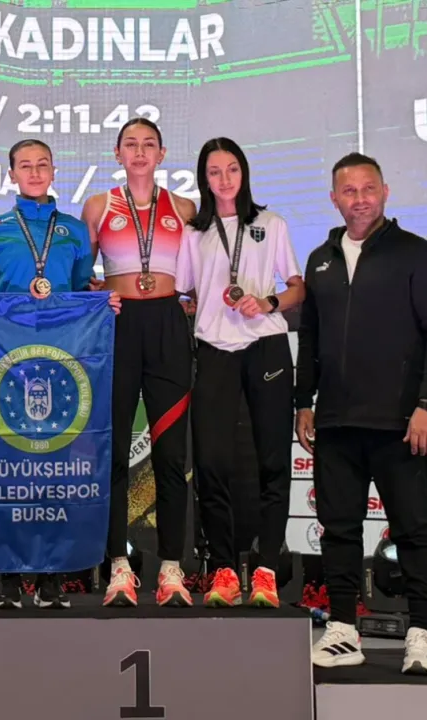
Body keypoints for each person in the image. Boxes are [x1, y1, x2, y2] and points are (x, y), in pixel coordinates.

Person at [295, 152, 427, 675]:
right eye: (349, 191)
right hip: (336, 422)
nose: (359, 199)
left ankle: (420, 634)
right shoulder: (320, 260)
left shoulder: (417, 253)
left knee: (413, 527)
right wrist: (303, 401)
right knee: (338, 529)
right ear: (334, 198)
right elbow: (311, 337)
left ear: (385, 192)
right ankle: (343, 630)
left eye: (368, 189)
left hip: (400, 422)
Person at [0, 138, 122, 610]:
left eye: (42, 164)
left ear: (53, 171)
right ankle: (6, 578)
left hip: (62, 359)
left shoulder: (73, 230)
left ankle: (51, 577)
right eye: (24, 165)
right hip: (5, 361)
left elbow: (82, 292)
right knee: (8, 464)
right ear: (11, 174)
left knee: (55, 464)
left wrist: (102, 305)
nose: (33, 171)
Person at [174, 138, 304, 609]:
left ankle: (266, 568)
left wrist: (267, 302)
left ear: (244, 173)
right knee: (211, 464)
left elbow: (297, 288)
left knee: (273, 460)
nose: (224, 179)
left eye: (232, 169)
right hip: (214, 349)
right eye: (214, 172)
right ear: (204, 180)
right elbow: (185, 293)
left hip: (266, 346)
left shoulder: (271, 224)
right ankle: (224, 570)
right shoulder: (194, 234)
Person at [81, 118, 195, 608]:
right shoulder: (98, 205)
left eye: (149, 144)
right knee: (113, 452)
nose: (140, 151)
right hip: (119, 325)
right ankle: (118, 567)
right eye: (131, 144)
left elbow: (201, 270)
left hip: (168, 325)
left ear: (162, 154)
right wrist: (93, 290)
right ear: (118, 153)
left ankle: (171, 568)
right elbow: (78, 275)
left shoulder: (184, 208)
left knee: (170, 454)